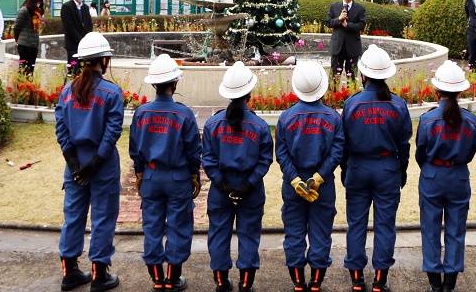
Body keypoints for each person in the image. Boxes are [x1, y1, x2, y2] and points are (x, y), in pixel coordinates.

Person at [55, 31, 123, 292]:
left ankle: (69, 273)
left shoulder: (67, 91)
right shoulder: (111, 92)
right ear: (104, 60)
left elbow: (61, 128)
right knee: (103, 218)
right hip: (101, 163)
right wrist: (95, 162)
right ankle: (99, 276)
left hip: (74, 163)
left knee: (73, 217)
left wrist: (73, 162)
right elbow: (112, 131)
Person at [341, 44, 412, 292]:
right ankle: (380, 280)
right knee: (385, 225)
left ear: (363, 75)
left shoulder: (351, 105)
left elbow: (344, 144)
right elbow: (404, 145)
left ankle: (357, 279)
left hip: (358, 167)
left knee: (356, 224)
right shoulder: (398, 105)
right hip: (387, 167)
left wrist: (344, 169)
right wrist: (402, 170)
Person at [130, 53, 202, 292]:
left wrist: (140, 174)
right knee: (178, 226)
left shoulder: (141, 113)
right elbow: (194, 150)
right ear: (175, 83)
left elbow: (135, 148)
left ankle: (157, 279)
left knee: (151, 226)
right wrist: (195, 176)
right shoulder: (184, 114)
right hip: (178, 177)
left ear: (154, 84)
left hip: (150, 176)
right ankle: (172, 279)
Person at [202, 61, 274, 292]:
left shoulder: (213, 124)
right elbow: (265, 161)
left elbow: (209, 160)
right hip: (250, 192)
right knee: (249, 236)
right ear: (249, 93)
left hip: (220, 191)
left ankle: (222, 284)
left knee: (219, 235)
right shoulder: (260, 127)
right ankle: (245, 285)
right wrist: (246, 186)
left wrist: (223, 186)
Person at [276, 61, 344, 292]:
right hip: (322, 185)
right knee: (321, 233)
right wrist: (319, 177)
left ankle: (298, 283)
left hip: (293, 184)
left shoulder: (285, 118)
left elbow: (282, 153)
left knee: (294, 233)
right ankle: (315, 284)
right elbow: (337, 151)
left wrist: (294, 179)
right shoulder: (333, 118)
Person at [416, 60, 476, 292]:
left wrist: (431, 167)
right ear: (461, 91)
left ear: (436, 91)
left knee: (431, 230)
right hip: (459, 175)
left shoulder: (427, 119)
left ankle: (435, 284)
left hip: (433, 174)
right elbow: (471, 151)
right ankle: (450, 284)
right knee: (456, 230)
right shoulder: (471, 120)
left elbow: (420, 152)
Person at [326, 0, 367, 87]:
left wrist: (347, 25)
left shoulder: (360, 9)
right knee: (334, 75)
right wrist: (338, 19)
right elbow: (328, 22)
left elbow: (361, 25)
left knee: (352, 76)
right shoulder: (334, 6)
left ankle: (351, 97)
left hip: (352, 47)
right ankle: (333, 97)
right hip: (337, 46)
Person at [61, 0, 94, 75]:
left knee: (84, 72)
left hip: (85, 46)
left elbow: (89, 24)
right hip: (73, 45)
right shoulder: (67, 7)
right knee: (73, 71)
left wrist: (88, 38)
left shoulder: (85, 8)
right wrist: (80, 40)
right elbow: (69, 27)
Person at [12, 0, 44, 76]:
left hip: (33, 44)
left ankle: (29, 87)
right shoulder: (24, 10)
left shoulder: (36, 13)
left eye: (40, 2)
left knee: (31, 69)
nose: (39, 3)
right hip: (24, 44)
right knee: (24, 69)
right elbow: (17, 27)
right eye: (38, 1)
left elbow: (35, 30)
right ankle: (21, 87)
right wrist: (16, 39)